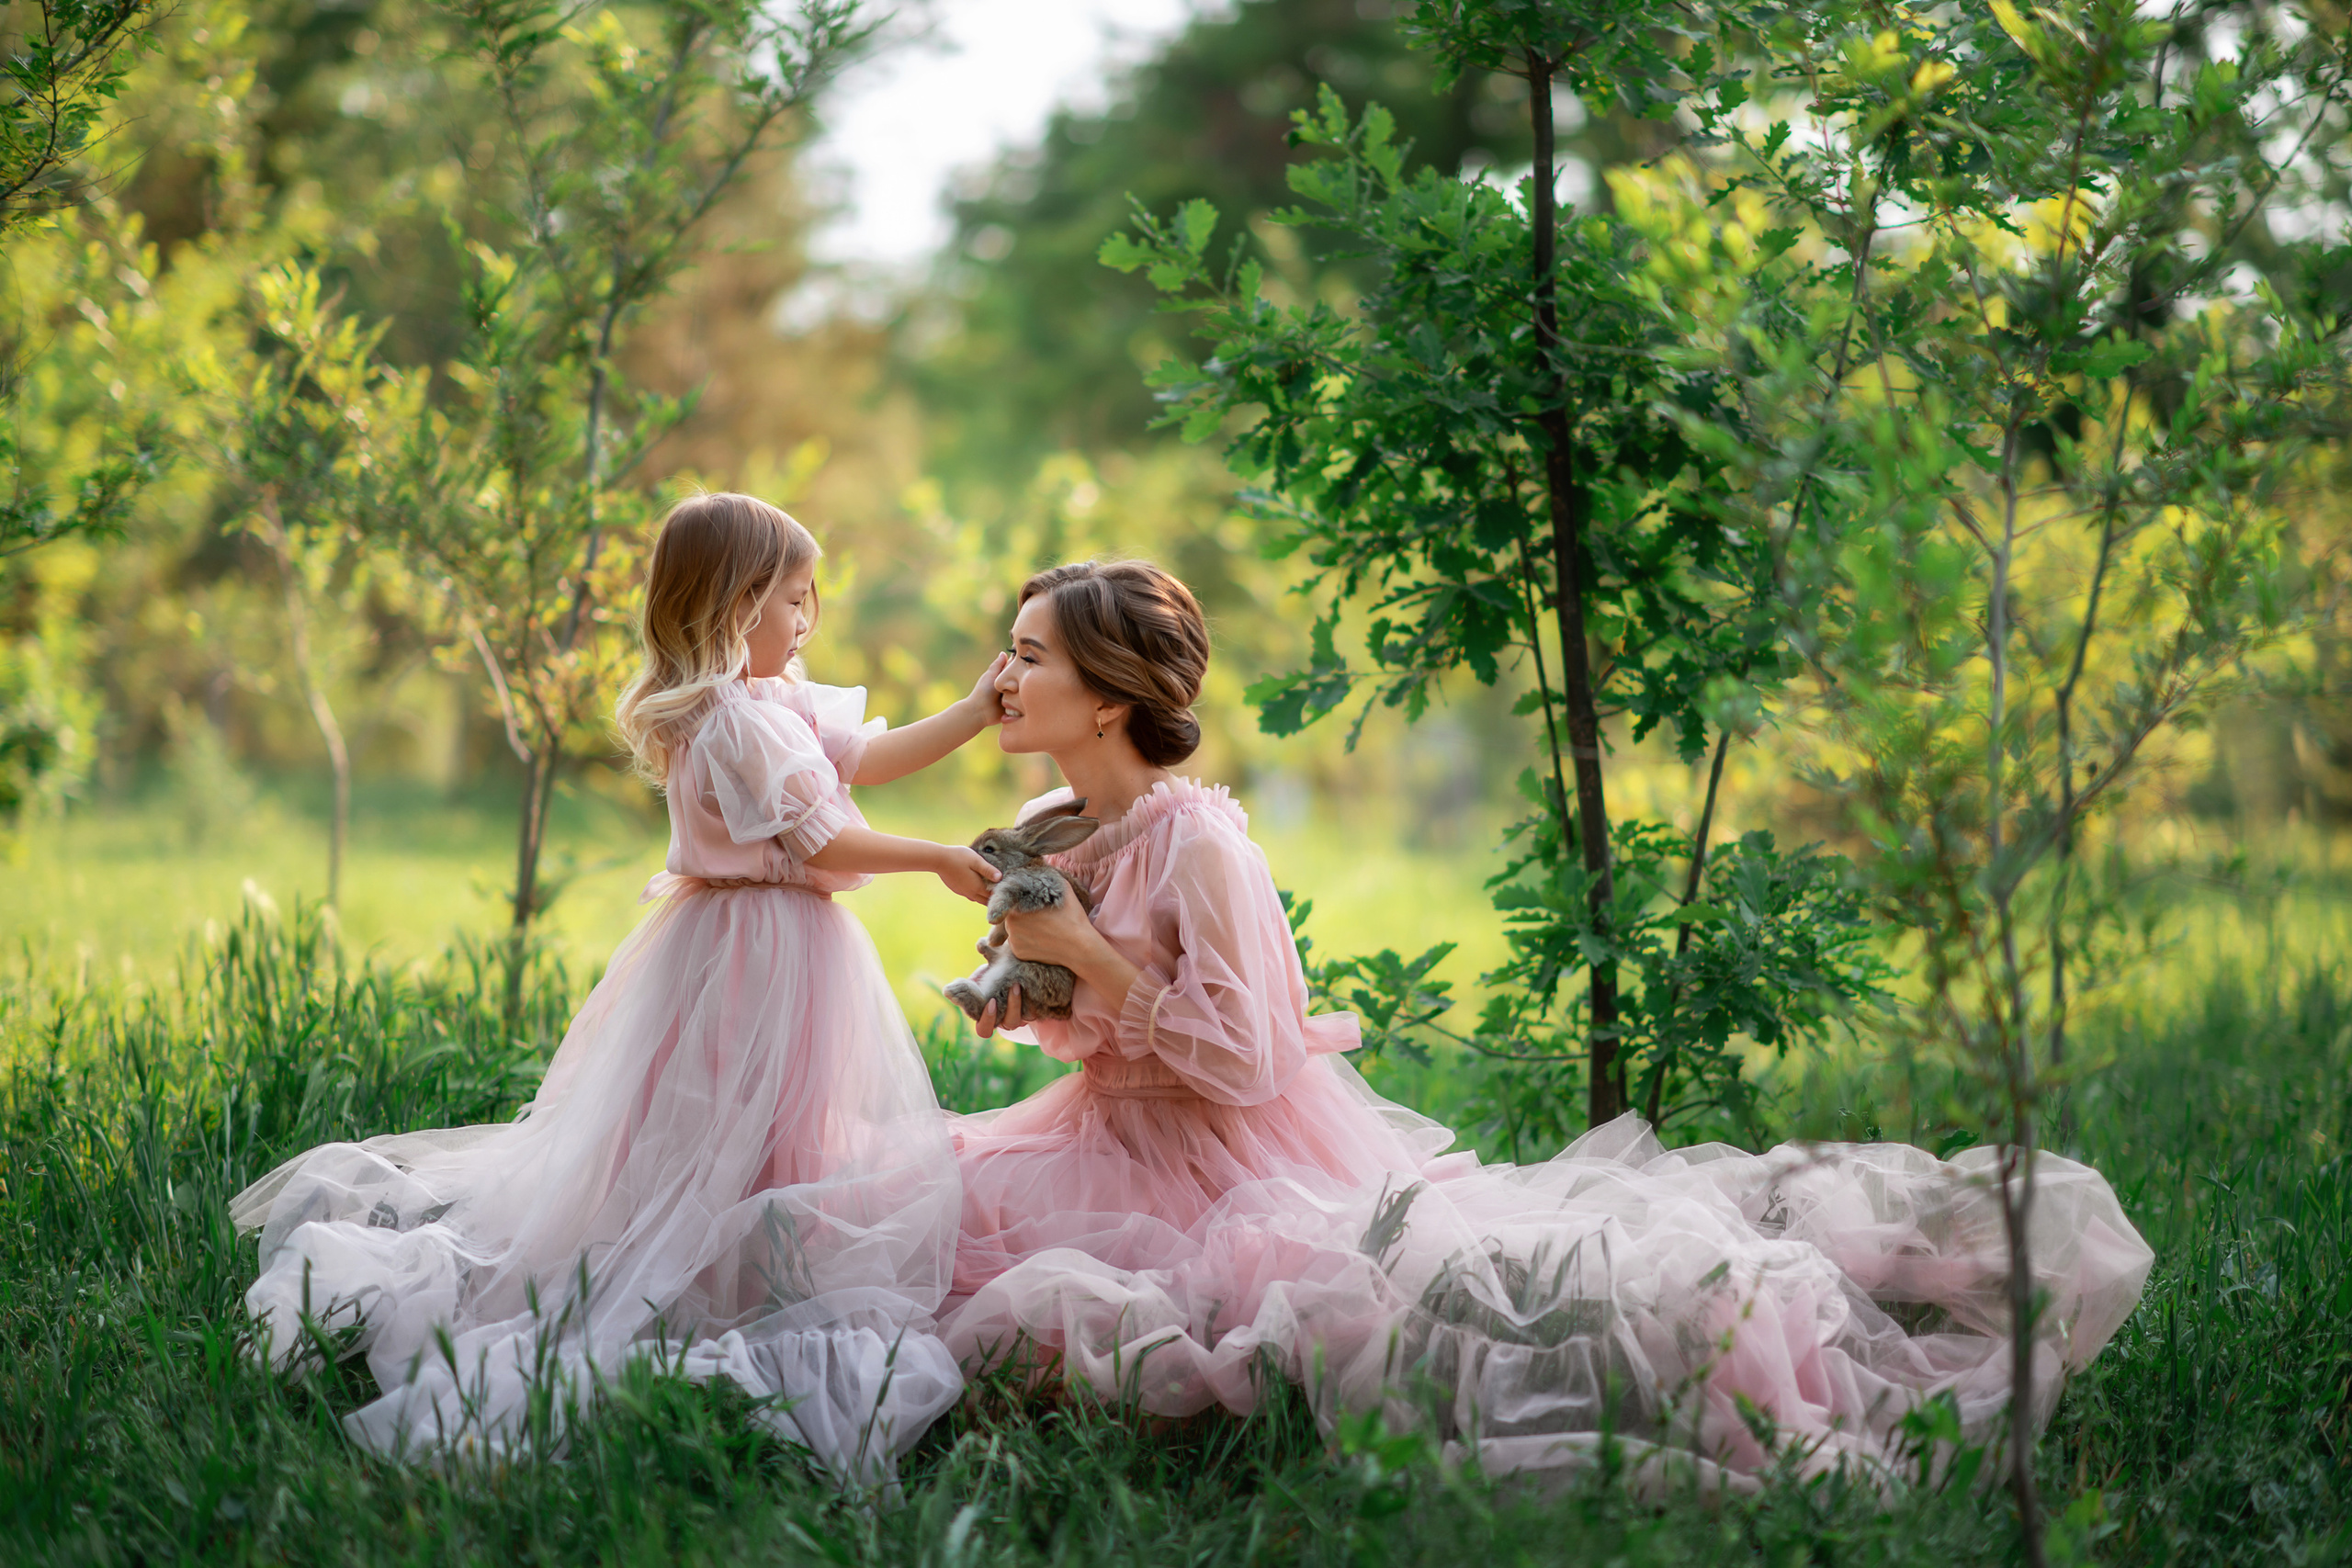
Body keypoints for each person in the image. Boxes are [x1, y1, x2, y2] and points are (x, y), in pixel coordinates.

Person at [940, 558, 2155, 1483]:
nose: (1002, 678)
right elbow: (1082, 999)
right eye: (1010, 650)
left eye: (1029, 655)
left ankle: (1891, 1280)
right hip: (1099, 1126)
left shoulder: (1202, 843)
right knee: (928, 1222)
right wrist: (1031, 991)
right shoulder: (1051, 822)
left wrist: (1084, 952)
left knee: (1368, 1310)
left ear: (1109, 696)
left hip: (1229, 1155)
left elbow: (1248, 1058)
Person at [232, 492, 1007, 1487]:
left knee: (780, 1125)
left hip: (761, 945)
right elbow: (823, 840)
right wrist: (936, 856)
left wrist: (973, 713)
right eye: (794, 600)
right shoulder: (734, 722)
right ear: (736, 606)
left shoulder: (768, 701)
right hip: (753, 953)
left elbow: (865, 756)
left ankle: (758, 1261)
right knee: (721, 1121)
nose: (808, 618)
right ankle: (699, 1273)